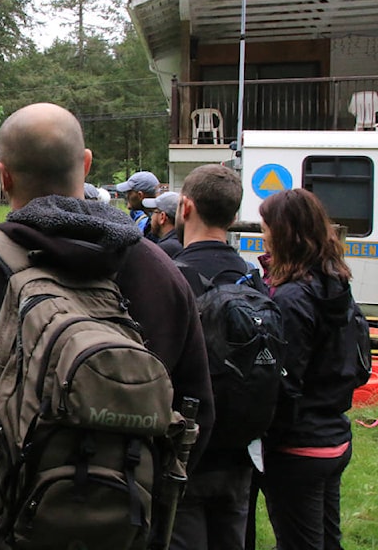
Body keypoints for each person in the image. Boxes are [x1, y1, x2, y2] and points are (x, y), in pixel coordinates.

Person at [0, 103, 213, 549]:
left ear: (4, 177)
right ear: (87, 164)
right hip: (125, 527)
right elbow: (198, 417)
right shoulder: (161, 274)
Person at [258, 188, 357, 550]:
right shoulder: (336, 283)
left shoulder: (291, 299)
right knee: (328, 540)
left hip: (299, 447)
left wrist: (267, 429)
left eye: (267, 227)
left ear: (284, 233)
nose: (263, 234)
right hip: (334, 436)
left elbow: (285, 379)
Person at [169, 164, 253, 550]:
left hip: (186, 445)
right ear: (234, 217)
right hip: (240, 450)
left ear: (184, 208)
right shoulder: (254, 279)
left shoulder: (171, 276)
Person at [116, 170, 160, 240]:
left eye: (129, 192)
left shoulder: (156, 226)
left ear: (140, 195)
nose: (127, 196)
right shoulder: (157, 218)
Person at [143, 191, 183, 257]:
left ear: (162, 217)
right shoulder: (185, 242)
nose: (151, 217)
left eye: (153, 212)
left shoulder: (163, 250)